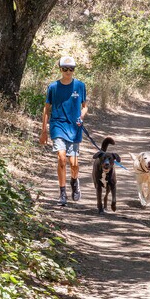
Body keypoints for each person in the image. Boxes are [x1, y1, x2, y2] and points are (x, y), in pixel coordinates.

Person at [39, 56, 88, 206]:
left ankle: (74, 181)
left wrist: (81, 116)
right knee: (61, 158)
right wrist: (44, 131)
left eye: (71, 69)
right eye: (65, 69)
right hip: (57, 126)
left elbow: (85, 106)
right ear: (60, 69)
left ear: (74, 70)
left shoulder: (80, 86)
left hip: (74, 128)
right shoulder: (53, 87)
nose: (68, 72)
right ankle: (62, 193)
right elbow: (47, 109)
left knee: (73, 164)